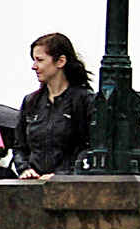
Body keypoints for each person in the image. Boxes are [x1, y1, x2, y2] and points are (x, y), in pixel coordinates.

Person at [14, 33, 94, 179]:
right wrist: (25, 169)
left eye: (40, 60)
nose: (34, 66)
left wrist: (63, 175)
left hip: (69, 187)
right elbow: (19, 146)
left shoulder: (83, 99)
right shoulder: (31, 102)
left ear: (60, 61)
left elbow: (92, 147)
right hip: (34, 186)